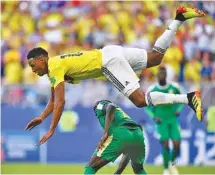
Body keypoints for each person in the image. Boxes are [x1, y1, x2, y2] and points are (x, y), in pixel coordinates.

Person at [25, 6, 205, 145]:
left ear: (42, 59)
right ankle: (179, 18)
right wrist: (42, 117)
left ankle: (188, 98)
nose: (33, 70)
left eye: (33, 65)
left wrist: (51, 129)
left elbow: (60, 101)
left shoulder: (54, 66)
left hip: (107, 63)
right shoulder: (55, 67)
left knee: (140, 101)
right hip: (109, 52)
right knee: (156, 58)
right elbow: (52, 101)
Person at [85, 100, 146, 174]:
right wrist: (118, 172)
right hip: (137, 133)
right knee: (138, 169)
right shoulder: (121, 115)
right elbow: (128, 152)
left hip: (121, 132)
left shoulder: (100, 105)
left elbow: (111, 106)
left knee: (91, 166)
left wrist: (105, 133)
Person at [147, 66, 183, 175]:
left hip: (172, 119)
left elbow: (181, 99)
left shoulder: (174, 87)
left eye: (163, 74)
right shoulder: (152, 89)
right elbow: (147, 106)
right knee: (166, 145)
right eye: (160, 74)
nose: (161, 76)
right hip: (161, 121)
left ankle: (172, 164)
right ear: (157, 76)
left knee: (177, 145)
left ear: (166, 76)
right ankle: (166, 169)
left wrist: (179, 109)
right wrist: (153, 116)